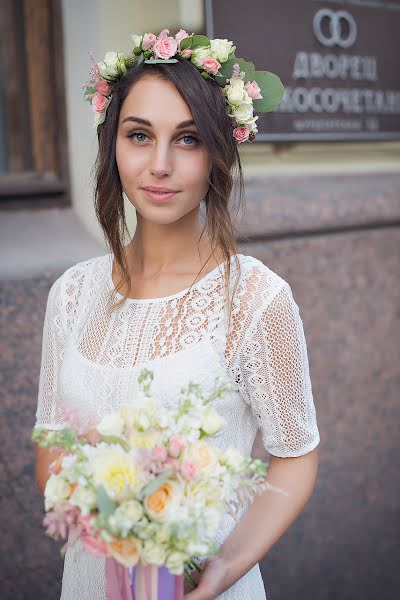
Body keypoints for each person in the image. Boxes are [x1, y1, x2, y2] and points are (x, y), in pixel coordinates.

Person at [34, 29, 320, 600]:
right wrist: (111, 521)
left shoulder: (255, 299)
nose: (159, 164)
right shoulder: (71, 294)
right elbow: (52, 445)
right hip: (94, 577)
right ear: (112, 145)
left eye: (187, 139)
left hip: (200, 582)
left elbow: (295, 456)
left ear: (218, 152)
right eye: (139, 135)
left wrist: (225, 566)